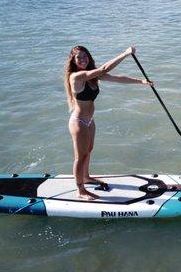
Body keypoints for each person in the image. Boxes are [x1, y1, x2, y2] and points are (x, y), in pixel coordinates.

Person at [63, 45, 152, 200]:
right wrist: (125, 54)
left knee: (89, 150)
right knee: (81, 156)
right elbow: (104, 69)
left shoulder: (92, 76)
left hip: (89, 120)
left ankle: (86, 176)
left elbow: (117, 78)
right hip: (79, 122)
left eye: (85, 56)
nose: (83, 60)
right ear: (73, 61)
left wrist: (141, 81)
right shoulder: (76, 77)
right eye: (79, 57)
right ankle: (80, 190)